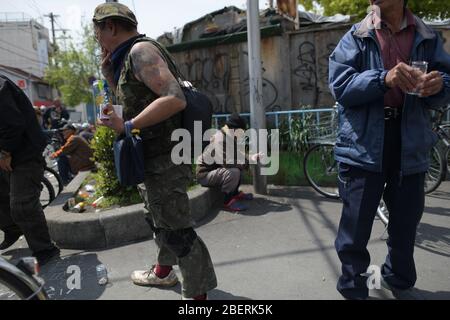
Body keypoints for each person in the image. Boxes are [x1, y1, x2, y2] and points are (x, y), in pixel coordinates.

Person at [92, 2, 217, 300]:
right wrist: (108, 72)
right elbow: (134, 97)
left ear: (110, 27)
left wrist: (128, 125)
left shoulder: (140, 52)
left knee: (178, 230)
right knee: (158, 218)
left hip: (164, 158)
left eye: (97, 30)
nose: (96, 37)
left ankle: (198, 297)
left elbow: (174, 99)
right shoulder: (124, 58)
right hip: (149, 156)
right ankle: (163, 272)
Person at [328, 0, 450, 300]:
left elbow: (446, 82)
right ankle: (354, 287)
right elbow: (340, 86)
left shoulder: (428, 36)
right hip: (364, 143)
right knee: (356, 227)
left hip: (409, 140)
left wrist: (439, 86)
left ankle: (399, 276)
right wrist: (384, 78)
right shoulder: (356, 36)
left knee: (406, 220)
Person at [0, 75, 60, 265]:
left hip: (23, 153)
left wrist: (5, 151)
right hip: (7, 153)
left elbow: (13, 123)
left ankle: (45, 249)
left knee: (22, 205)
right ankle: (12, 229)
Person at [196, 113, 261, 212]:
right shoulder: (220, 139)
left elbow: (238, 153)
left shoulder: (229, 136)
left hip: (216, 170)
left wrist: (251, 157)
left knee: (239, 166)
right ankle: (228, 201)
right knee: (234, 171)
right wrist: (246, 163)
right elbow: (226, 163)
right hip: (205, 175)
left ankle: (235, 194)